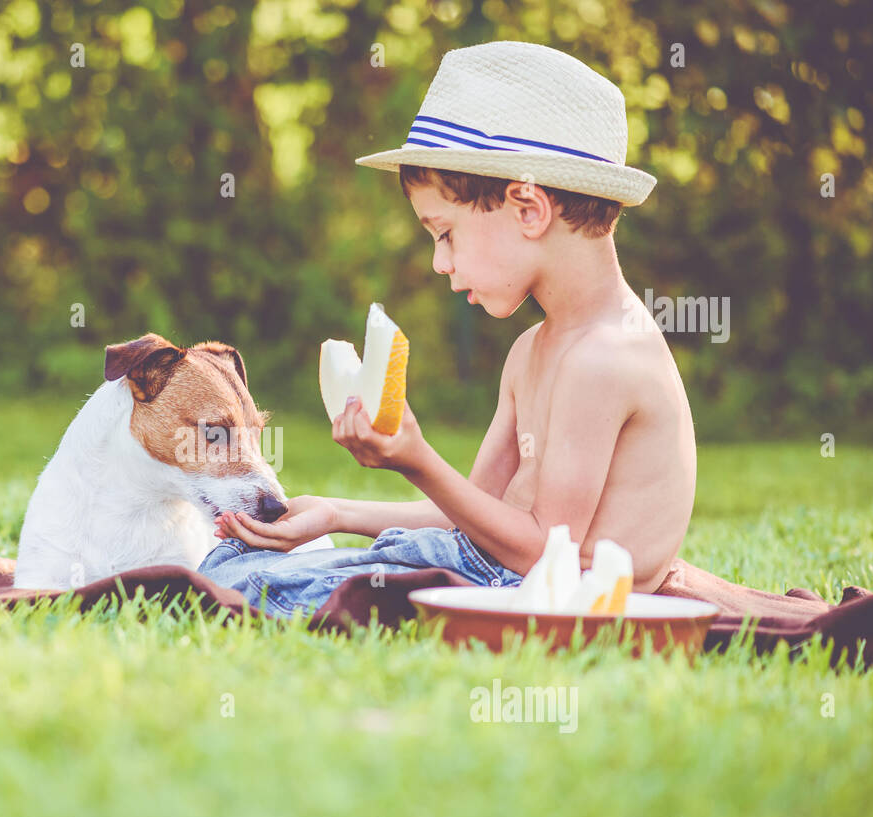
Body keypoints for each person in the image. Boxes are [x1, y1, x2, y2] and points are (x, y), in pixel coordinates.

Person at [199, 41, 696, 619]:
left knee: (256, 588)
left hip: (532, 594)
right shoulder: (533, 349)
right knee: (236, 560)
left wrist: (417, 459)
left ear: (529, 210)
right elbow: (475, 511)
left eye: (446, 233)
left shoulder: (604, 358)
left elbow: (545, 555)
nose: (440, 263)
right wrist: (334, 513)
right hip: (476, 564)